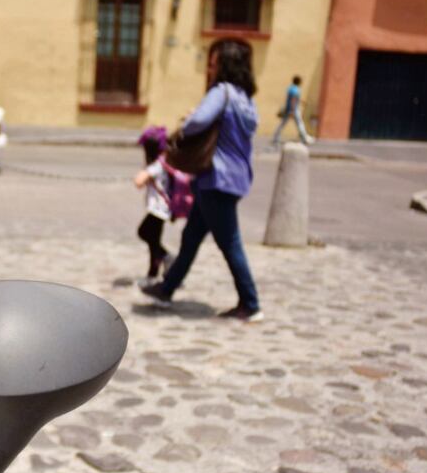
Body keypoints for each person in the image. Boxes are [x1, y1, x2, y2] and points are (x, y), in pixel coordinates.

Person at [141, 38, 263, 323]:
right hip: (235, 177)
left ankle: (250, 302)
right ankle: (167, 288)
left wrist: (191, 117)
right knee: (192, 236)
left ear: (225, 65)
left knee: (230, 243)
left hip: (215, 177)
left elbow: (198, 123)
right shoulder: (246, 99)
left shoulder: (221, 93)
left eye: (214, 62)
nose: (209, 68)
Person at [133, 126, 172, 287]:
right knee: (152, 240)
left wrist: (144, 172)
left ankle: (166, 257)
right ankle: (153, 273)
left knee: (145, 233)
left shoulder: (157, 165)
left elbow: (138, 182)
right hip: (159, 209)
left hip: (159, 209)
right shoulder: (163, 162)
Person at [271, 75, 314, 146]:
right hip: (293, 110)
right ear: (298, 81)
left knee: (283, 124)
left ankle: (275, 137)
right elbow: (293, 100)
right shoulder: (295, 89)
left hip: (289, 109)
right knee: (300, 123)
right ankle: (304, 138)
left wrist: (302, 102)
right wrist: (292, 111)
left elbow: (295, 99)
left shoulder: (291, 88)